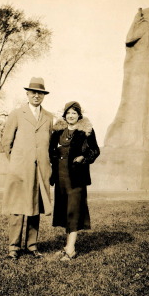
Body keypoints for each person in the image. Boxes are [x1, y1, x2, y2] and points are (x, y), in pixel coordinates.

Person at [0, 77, 53, 260]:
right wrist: (16, 163)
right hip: (20, 170)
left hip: (40, 171)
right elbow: (6, 144)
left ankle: (32, 246)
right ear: (27, 94)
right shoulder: (17, 114)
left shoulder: (48, 117)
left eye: (40, 93)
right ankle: (13, 247)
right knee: (17, 208)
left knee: (35, 208)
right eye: (33, 92)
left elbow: (49, 144)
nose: (36, 96)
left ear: (43, 96)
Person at [49, 101, 100, 260]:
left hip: (76, 178)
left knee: (74, 210)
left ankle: (71, 249)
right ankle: (66, 246)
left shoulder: (86, 132)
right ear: (64, 115)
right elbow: (50, 151)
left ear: (79, 115)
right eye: (68, 113)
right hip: (61, 178)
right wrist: (55, 158)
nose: (71, 116)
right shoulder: (57, 132)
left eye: (74, 113)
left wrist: (83, 157)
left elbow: (95, 150)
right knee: (65, 211)